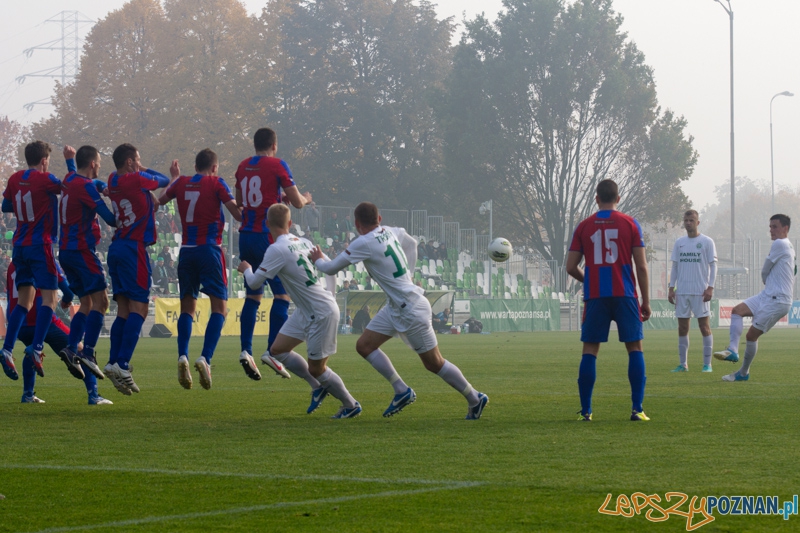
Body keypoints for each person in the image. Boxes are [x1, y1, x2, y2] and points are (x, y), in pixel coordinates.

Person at [311, 202, 488, 419]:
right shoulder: (392, 231)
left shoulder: (363, 242)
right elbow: (411, 242)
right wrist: (410, 275)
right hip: (397, 306)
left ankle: (475, 398)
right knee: (365, 345)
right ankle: (401, 390)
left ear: (357, 224)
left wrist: (318, 259)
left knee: (434, 363)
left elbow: (330, 268)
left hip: (410, 309)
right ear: (380, 219)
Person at [239, 203, 361, 418]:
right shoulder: (304, 242)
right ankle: (317, 387)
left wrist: (247, 269)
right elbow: (328, 266)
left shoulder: (276, 249)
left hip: (320, 312)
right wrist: (331, 294)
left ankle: (350, 404)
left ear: (267, 225)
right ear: (290, 223)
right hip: (308, 309)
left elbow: (256, 282)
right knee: (276, 351)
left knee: (318, 368)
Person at [566, 179, 651, 422]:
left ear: (596, 198)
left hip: (596, 296)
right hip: (625, 294)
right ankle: (637, 409)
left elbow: (571, 267)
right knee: (634, 347)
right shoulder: (631, 223)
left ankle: (586, 411)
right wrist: (645, 301)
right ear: (618, 198)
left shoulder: (584, 226)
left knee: (590, 350)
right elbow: (642, 267)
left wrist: (590, 279)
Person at [158, 149, 242, 390]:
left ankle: (182, 355)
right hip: (210, 250)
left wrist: (173, 178)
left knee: (187, 308)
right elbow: (237, 213)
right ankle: (205, 357)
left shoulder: (182, 182)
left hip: (186, 250)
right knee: (220, 309)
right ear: (214, 167)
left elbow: (160, 200)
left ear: (195, 165)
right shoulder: (216, 183)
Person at [235, 127, 311, 381]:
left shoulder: (243, 166)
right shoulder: (278, 165)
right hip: (267, 236)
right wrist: (306, 199)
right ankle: (271, 351)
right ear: (274, 145)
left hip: (245, 235)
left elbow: (240, 201)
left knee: (253, 294)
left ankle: (246, 350)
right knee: (282, 294)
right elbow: (297, 202)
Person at [104, 143, 177, 395]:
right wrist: (143, 168)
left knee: (123, 309)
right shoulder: (135, 178)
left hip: (118, 247)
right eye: (137, 159)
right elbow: (163, 179)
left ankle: (113, 362)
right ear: (129, 163)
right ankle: (123, 364)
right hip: (134, 248)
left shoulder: (113, 178)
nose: (140, 162)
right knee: (141, 308)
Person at [0, 141, 66, 382]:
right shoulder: (45, 179)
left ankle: (7, 350)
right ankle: (37, 348)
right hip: (41, 244)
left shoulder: (15, 178)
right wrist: (70, 161)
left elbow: (6, 204)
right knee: (51, 298)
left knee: (24, 302)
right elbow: (69, 186)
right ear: (44, 160)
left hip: (19, 245)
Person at [6, 262, 112, 405]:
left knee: (32, 351)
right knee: (78, 349)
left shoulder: (14, 264)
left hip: (19, 321)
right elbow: (67, 291)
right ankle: (94, 395)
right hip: (43, 319)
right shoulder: (43, 257)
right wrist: (66, 300)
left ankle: (28, 395)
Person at [57, 145, 117, 382]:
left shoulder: (70, 179)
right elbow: (111, 219)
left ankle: (72, 349)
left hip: (66, 252)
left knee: (86, 302)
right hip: (82, 250)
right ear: (93, 163)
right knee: (102, 301)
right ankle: (89, 352)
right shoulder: (85, 187)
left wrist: (102, 186)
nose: (100, 165)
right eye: (99, 162)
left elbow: (76, 174)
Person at [714, 214, 796, 382]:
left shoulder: (780, 243)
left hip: (778, 300)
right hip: (767, 295)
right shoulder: (789, 246)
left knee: (751, 336)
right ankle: (732, 350)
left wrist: (766, 279)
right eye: (770, 226)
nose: (771, 230)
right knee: (737, 311)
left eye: (774, 226)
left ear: (785, 228)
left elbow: (765, 269)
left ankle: (743, 373)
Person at [668, 210, 717, 373]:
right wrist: (671, 287)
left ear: (698, 222)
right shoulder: (679, 242)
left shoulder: (707, 241)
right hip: (682, 292)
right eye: (686, 220)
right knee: (682, 328)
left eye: (691, 220)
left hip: (700, 292)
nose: (688, 223)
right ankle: (683, 364)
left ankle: (707, 364)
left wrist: (710, 287)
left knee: (704, 327)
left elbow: (713, 265)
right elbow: (675, 266)